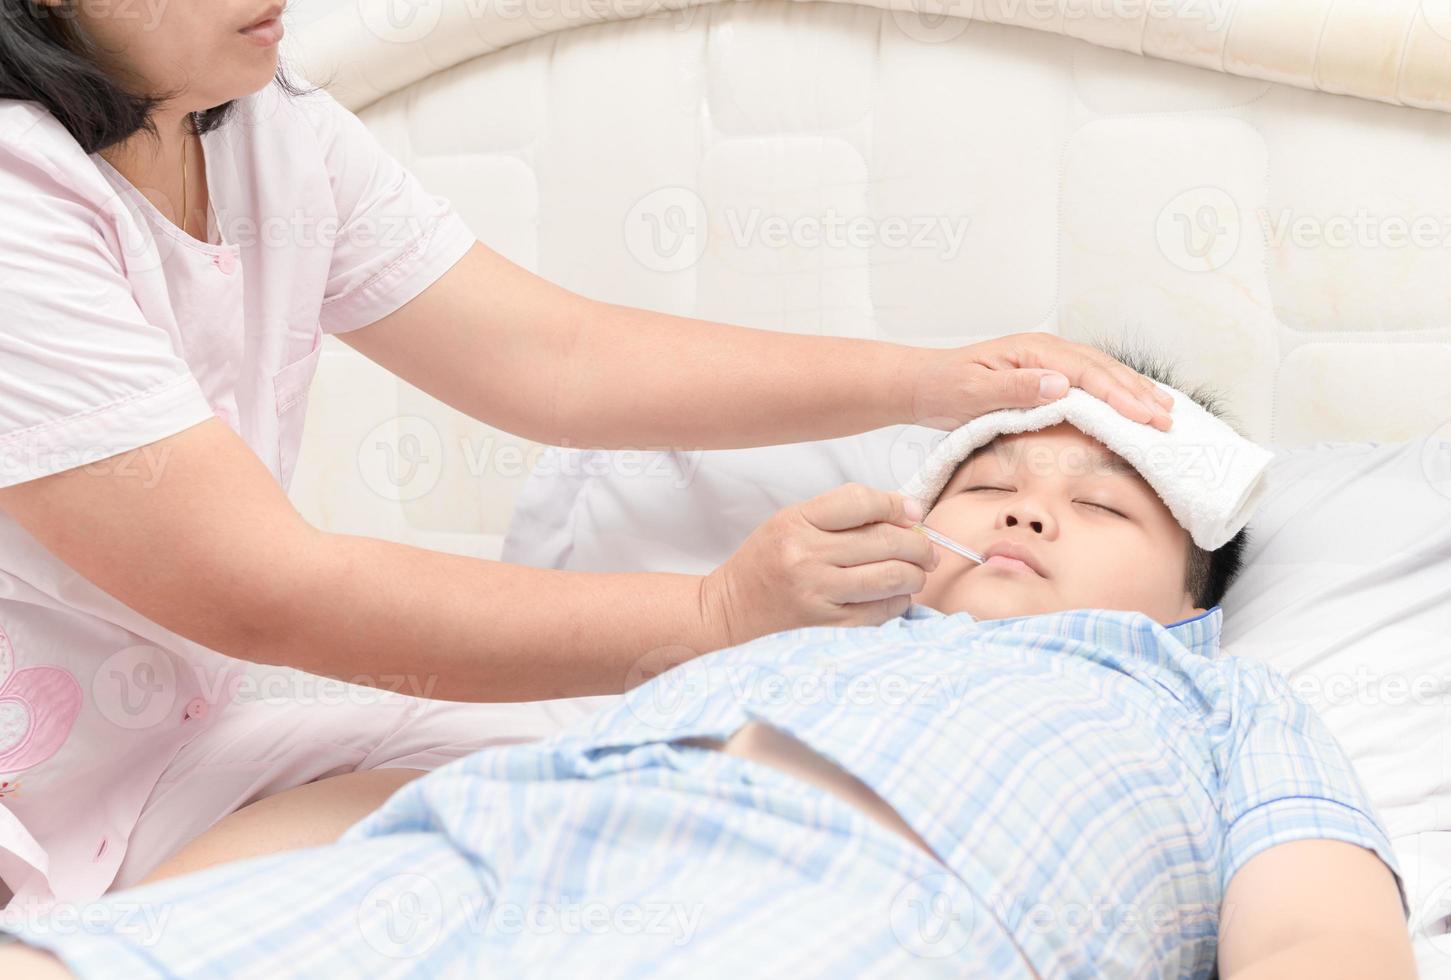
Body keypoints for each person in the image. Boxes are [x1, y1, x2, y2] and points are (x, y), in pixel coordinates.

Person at [0, 0, 1180, 910]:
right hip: (36, 796)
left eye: (1102, 504)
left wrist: (925, 381)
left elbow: (555, 359)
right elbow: (261, 586)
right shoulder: (18, 199)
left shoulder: (266, 126)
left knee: (575, 785)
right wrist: (718, 612)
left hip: (160, 755)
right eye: (995, 481)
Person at [0, 352, 1413, 978]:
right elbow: (448, 785)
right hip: (497, 858)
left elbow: (1312, 934)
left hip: (861, 903)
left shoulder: (1207, 699)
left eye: (1104, 505)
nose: (1032, 508)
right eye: (990, 484)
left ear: (1189, 599)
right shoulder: (769, 629)